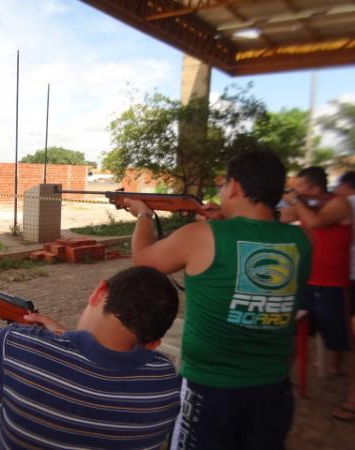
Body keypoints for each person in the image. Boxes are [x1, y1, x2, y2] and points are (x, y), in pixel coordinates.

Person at [124, 150, 311, 450]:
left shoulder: (201, 234)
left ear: (235, 187)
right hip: (274, 389)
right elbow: (256, 235)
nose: (222, 191)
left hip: (210, 390)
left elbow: (143, 261)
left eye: (223, 185)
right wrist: (225, 219)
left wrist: (144, 215)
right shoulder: (301, 242)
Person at [0, 266, 181, 450]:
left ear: (99, 292)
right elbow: (95, 369)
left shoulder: (16, 347)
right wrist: (61, 336)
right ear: (153, 344)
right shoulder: (167, 384)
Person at [282, 167, 355, 421]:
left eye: (300, 185)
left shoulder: (340, 204)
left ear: (314, 188)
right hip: (307, 282)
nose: (296, 190)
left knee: (343, 344)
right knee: (293, 335)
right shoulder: (310, 205)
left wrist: (294, 200)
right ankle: (280, 383)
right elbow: (281, 216)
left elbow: (316, 222)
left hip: (332, 286)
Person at [334, 170, 355, 316]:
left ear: (345, 185)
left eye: (337, 186)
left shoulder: (343, 205)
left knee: (345, 319)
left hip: (350, 272)